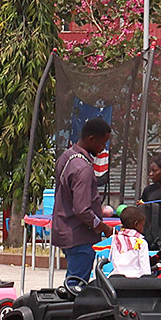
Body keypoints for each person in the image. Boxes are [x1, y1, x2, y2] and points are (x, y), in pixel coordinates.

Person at [53, 118, 111, 289]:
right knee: (77, 285)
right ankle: (70, 313)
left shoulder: (66, 156)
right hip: (79, 235)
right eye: (102, 143)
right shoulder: (83, 168)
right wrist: (103, 227)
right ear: (91, 139)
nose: (103, 148)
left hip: (65, 229)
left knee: (73, 278)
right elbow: (81, 209)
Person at [111, 206, 152, 278]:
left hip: (116, 280)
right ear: (136, 224)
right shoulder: (141, 242)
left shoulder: (115, 239)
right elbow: (145, 269)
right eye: (142, 225)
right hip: (136, 282)